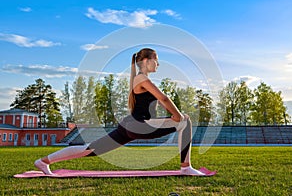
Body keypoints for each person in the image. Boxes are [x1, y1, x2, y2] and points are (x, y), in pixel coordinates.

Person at [34, 48, 206, 176]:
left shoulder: (139, 79)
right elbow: (164, 98)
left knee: (89, 150)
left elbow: (148, 109)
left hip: (131, 125)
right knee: (185, 123)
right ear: (145, 61)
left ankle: (43, 161)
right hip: (139, 125)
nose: (158, 64)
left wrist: (170, 117)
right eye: (156, 60)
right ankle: (186, 167)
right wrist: (177, 116)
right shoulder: (142, 78)